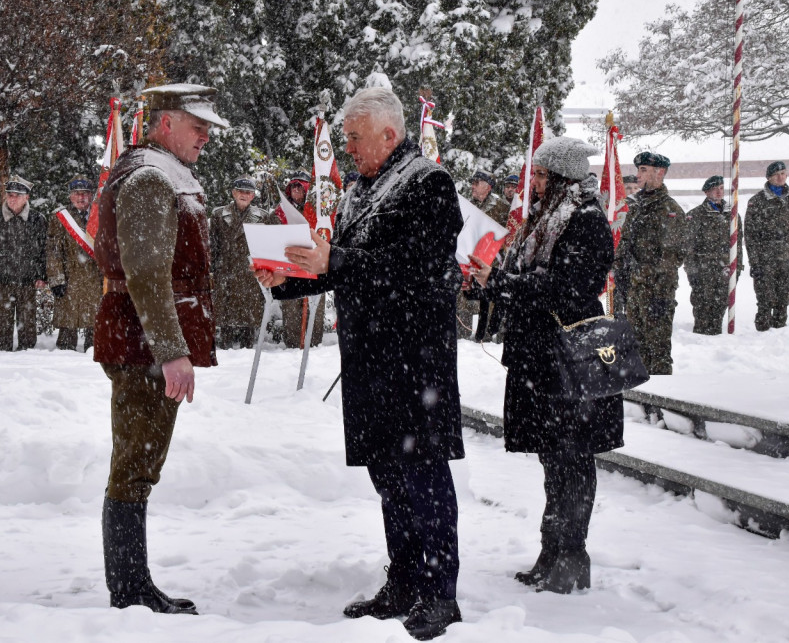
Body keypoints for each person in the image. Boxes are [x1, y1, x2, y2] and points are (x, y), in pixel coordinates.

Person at [255, 87, 464, 641]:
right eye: (345, 137)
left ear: (389, 135)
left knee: (424, 479)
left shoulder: (429, 184)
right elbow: (346, 267)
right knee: (389, 479)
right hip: (371, 362)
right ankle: (403, 580)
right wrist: (293, 277)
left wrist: (338, 258)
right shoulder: (359, 189)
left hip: (416, 363)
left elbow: (422, 273)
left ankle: (440, 594)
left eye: (353, 138)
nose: (346, 147)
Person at [92, 83, 227, 615]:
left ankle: (132, 583)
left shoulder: (162, 170)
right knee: (136, 463)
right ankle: (129, 590)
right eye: (198, 127)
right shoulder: (150, 176)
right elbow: (147, 274)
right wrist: (171, 350)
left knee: (141, 459)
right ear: (165, 123)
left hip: (144, 339)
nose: (207, 138)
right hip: (143, 343)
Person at [469, 136, 624, 595]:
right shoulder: (543, 219)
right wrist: (487, 283)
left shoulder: (587, 220)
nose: (532, 182)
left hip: (570, 362)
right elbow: (525, 280)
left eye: (539, 175)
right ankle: (552, 549)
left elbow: (567, 290)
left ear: (560, 177)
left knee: (572, 460)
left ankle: (572, 555)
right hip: (542, 358)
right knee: (553, 460)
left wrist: (502, 282)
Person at [613, 152, 686, 374]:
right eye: (639, 170)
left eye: (643, 170)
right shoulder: (634, 206)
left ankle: (662, 398)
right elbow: (623, 244)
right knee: (637, 347)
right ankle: (644, 396)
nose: (638, 175)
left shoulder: (670, 210)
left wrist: (642, 273)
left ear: (659, 173)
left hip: (657, 292)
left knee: (659, 351)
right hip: (634, 289)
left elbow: (671, 256)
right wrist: (621, 270)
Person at [0, 175, 47, 351]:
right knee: (2, 327)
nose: (12, 198)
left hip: (28, 280)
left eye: (17, 195)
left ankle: (27, 357)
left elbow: (45, 251)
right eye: (10, 194)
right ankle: (3, 356)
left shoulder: (37, 220)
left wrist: (42, 275)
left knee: (28, 327)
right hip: (1, 281)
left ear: (27, 197)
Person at [210, 176, 277, 349]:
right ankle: (224, 347)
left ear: (253, 196)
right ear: (233, 192)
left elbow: (266, 246)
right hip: (226, 270)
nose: (244, 195)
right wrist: (213, 268)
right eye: (240, 191)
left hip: (249, 273)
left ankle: (248, 348)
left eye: (248, 192)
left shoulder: (262, 216)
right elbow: (213, 244)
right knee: (225, 316)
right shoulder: (218, 214)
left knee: (249, 316)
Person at [745, 161, 789, 331]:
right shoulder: (757, 201)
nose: (781, 177)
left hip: (788, 258)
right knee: (765, 299)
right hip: (765, 259)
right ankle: (762, 334)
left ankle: (780, 333)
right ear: (769, 178)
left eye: (783, 173)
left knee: (784, 298)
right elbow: (750, 236)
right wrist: (754, 262)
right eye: (776, 174)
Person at [46, 175, 103, 351]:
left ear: (92, 195)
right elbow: (53, 251)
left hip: (96, 281)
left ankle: (93, 359)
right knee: (67, 330)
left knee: (97, 330)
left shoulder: (100, 216)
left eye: (85, 193)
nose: (81, 197)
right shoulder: (60, 218)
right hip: (69, 280)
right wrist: (57, 279)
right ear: (70, 196)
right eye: (77, 193)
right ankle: (65, 366)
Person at [684, 176, 744, 335]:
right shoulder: (695, 215)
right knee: (702, 306)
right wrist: (692, 271)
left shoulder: (733, 215)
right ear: (707, 192)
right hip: (703, 270)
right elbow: (688, 247)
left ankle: (716, 337)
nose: (719, 192)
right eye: (714, 189)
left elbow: (738, 245)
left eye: (721, 188)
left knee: (721, 305)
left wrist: (737, 268)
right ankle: (701, 338)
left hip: (724, 269)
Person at [274, 170, 326, 348]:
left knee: (315, 300)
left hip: (314, 260)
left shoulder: (319, 210)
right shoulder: (281, 211)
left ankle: (314, 342)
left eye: (300, 187)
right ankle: (292, 342)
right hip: (289, 262)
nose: (297, 191)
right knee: (291, 302)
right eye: (293, 187)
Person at [465, 170, 512, 341]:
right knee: (476, 298)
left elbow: (509, 236)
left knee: (494, 300)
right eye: (473, 183)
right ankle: (474, 333)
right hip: (473, 260)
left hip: (495, 262)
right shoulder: (470, 206)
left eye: (477, 183)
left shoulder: (502, 208)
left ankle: (492, 333)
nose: (473, 187)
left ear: (488, 186)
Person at [610, 175, 640, 315]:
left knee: (634, 297)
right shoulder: (616, 209)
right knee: (615, 296)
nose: (633, 191)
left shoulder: (644, 208)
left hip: (636, 259)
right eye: (628, 188)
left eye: (636, 188)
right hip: (618, 258)